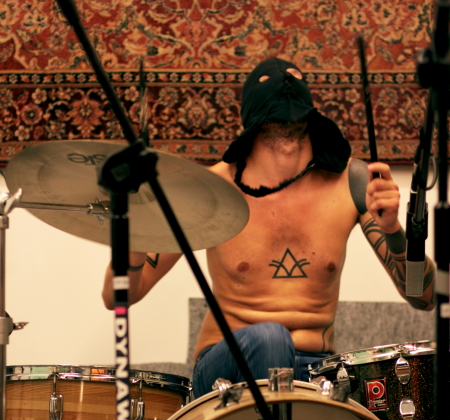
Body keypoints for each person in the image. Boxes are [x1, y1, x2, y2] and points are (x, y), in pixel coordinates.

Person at [102, 57, 435, 399]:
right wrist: (138, 228)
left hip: (313, 374)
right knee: (271, 338)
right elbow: (118, 296)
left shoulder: (352, 181)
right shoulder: (210, 191)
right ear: (250, 120)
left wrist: (393, 228)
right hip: (226, 373)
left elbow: (423, 298)